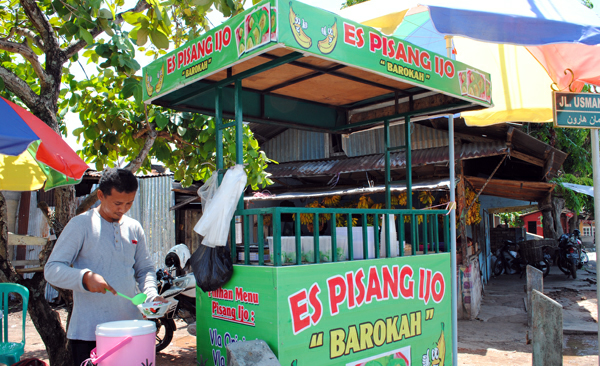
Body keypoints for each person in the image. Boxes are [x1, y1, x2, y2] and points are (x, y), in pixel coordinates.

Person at [45, 168, 163, 366]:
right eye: (117, 203)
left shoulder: (134, 228)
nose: (123, 209)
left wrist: (151, 295)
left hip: (131, 330)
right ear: (100, 195)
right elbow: (52, 269)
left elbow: (145, 270)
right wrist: (84, 277)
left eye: (129, 203)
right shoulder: (81, 225)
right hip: (89, 333)